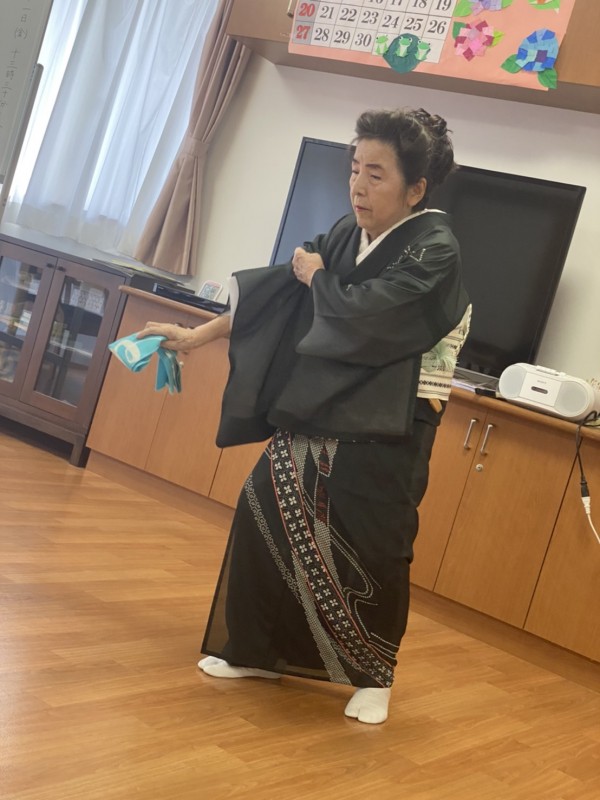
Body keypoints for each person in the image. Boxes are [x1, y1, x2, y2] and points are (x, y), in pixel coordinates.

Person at [138, 108, 471, 725]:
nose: (358, 185)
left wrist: (319, 280)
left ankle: (373, 677)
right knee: (263, 511)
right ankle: (257, 650)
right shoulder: (347, 233)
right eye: (354, 169)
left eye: (376, 174)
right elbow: (280, 296)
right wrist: (198, 335)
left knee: (376, 547)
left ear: (416, 188)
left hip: (391, 423)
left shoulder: (435, 249)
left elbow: (370, 317)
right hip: (321, 405)